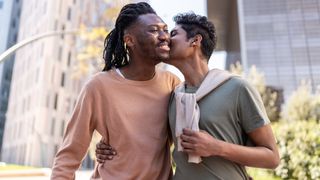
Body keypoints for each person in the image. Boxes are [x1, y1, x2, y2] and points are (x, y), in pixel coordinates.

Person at [96, 12, 280, 179]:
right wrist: (109, 146)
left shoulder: (237, 88)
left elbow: (272, 157)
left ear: (195, 41)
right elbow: (150, 139)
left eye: (174, 34)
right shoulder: (173, 94)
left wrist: (217, 147)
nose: (166, 39)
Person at [51, 2, 180, 180]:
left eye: (165, 29)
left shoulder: (172, 84)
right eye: (153, 30)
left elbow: (181, 138)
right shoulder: (98, 87)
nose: (164, 36)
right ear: (129, 40)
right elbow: (69, 155)